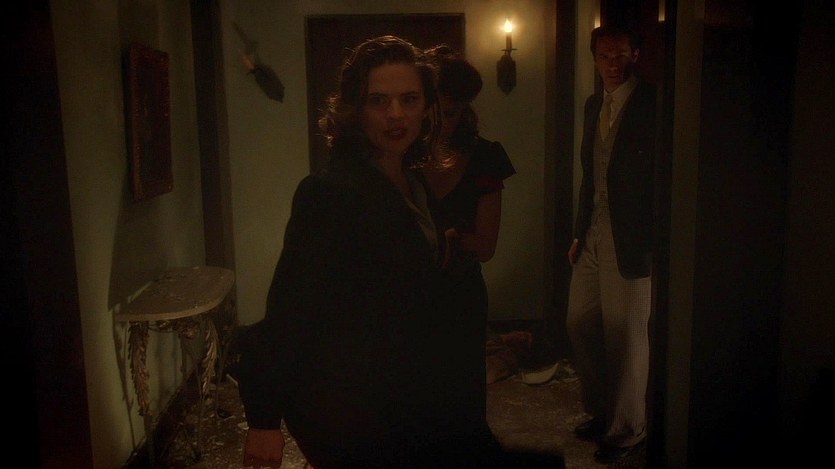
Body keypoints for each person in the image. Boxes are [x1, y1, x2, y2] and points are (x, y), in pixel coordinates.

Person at [234, 35, 563, 469]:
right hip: (365, 404)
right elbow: (289, 310)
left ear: (427, 107)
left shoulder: (412, 179)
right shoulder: (330, 191)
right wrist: (263, 419)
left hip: (424, 392)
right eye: (379, 101)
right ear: (356, 109)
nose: (396, 114)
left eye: (409, 99)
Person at [565, 23, 656, 464]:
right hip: (594, 231)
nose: (613, 64)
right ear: (595, 59)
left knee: (627, 335)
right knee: (579, 322)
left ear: (635, 55)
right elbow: (591, 174)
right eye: (604, 56)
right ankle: (603, 411)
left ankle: (628, 429)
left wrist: (654, 240)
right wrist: (579, 231)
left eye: (621, 55)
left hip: (631, 236)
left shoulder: (653, 104)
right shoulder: (592, 105)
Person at [420, 44, 517, 436]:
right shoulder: (400, 157)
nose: (439, 123)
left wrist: (447, 238)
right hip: (407, 293)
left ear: (464, 111)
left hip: (459, 294)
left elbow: (486, 246)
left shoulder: (484, 157)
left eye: (450, 113)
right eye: (432, 111)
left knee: (462, 404)